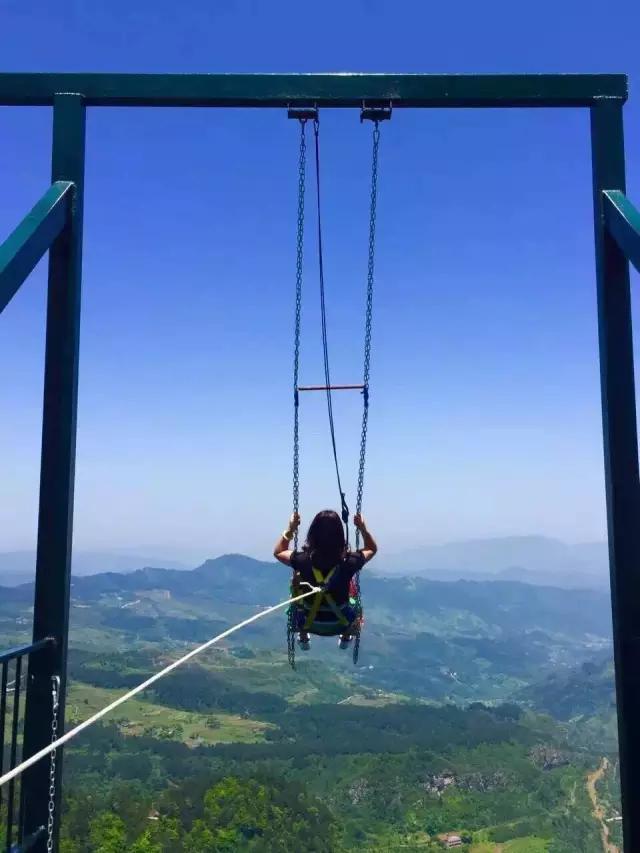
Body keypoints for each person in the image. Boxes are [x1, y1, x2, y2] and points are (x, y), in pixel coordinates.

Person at [274, 510, 378, 651]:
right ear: (340, 536)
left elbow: (279, 552)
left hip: (307, 622)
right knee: (353, 601)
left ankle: (303, 635)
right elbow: (371, 549)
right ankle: (346, 636)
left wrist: (291, 529)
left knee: (297, 591)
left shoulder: (303, 560)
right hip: (341, 622)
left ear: (312, 535)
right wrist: (362, 528)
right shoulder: (349, 562)